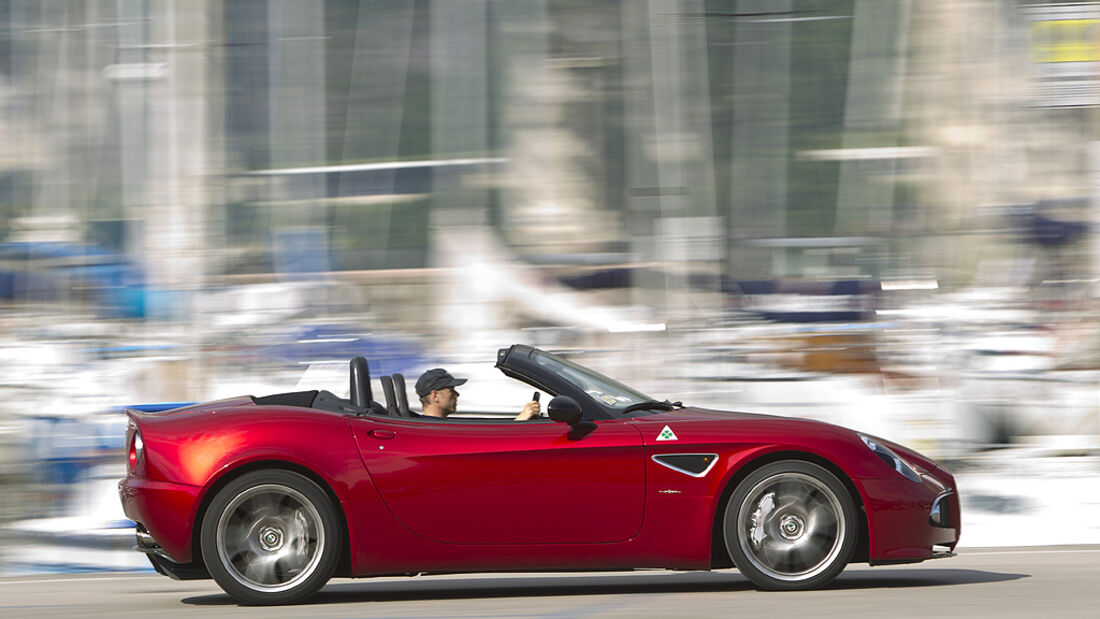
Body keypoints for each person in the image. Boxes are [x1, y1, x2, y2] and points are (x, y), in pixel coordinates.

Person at [415, 368, 540, 421]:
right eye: (451, 390)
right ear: (435, 395)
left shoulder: (440, 425)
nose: (457, 395)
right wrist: (521, 420)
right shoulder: (433, 430)